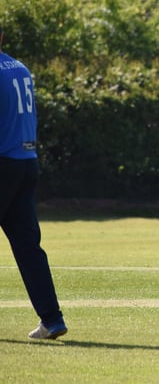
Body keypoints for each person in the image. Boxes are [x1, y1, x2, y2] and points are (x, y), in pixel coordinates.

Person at [0, 24, 68, 338]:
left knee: (28, 248)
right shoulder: (20, 68)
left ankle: (52, 319)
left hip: (3, 163)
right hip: (26, 162)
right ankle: (52, 319)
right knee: (29, 249)